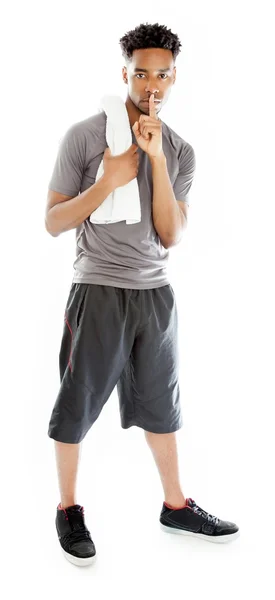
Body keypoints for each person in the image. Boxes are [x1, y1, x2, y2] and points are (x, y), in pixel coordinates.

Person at [45, 22, 239, 567]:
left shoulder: (181, 152)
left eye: (162, 74)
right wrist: (107, 181)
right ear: (123, 73)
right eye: (140, 73)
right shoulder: (85, 136)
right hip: (99, 289)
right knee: (76, 405)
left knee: (162, 404)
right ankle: (68, 509)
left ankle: (175, 505)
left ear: (174, 75)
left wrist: (153, 158)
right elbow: (53, 221)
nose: (151, 84)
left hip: (156, 295)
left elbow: (172, 235)